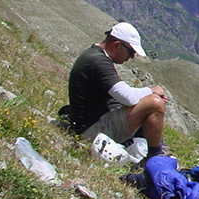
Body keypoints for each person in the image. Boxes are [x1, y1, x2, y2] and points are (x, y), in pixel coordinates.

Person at [67, 22, 166, 158]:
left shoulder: (94, 56)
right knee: (154, 104)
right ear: (117, 45)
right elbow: (128, 97)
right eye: (131, 52)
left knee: (147, 102)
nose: (132, 57)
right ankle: (155, 157)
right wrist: (152, 90)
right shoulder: (98, 62)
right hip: (92, 132)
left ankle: (151, 148)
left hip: (90, 124)